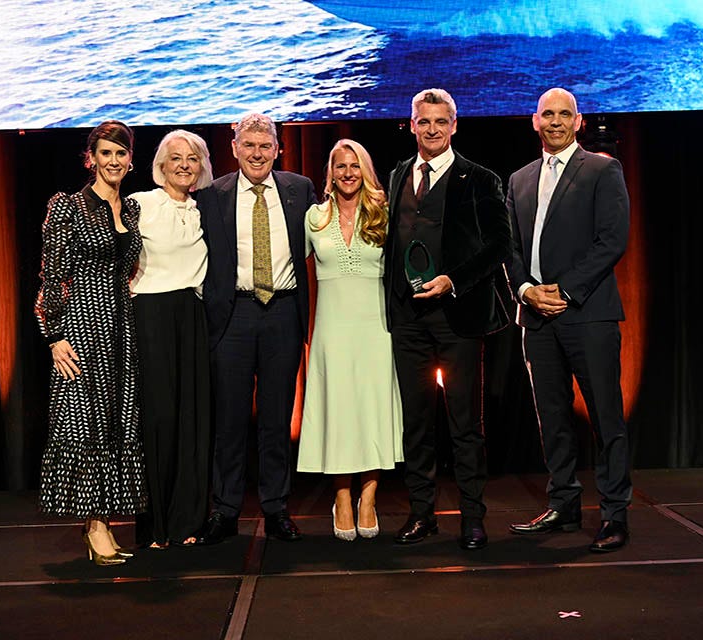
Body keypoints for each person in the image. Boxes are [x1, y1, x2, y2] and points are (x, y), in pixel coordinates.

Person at [504, 87, 632, 552]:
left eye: (565, 114)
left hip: (588, 315)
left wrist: (567, 290)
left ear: (578, 122)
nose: (555, 121)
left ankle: (615, 514)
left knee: (606, 418)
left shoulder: (602, 168)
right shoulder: (518, 178)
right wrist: (525, 290)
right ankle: (564, 504)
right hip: (535, 317)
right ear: (533, 121)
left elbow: (612, 239)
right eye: (547, 114)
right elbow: (511, 248)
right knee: (552, 418)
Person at [384, 89, 512, 550]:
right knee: (416, 422)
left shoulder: (479, 179)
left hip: (457, 317)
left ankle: (472, 518)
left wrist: (452, 280)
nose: (432, 129)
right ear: (411, 124)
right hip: (407, 319)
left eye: (441, 121)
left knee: (464, 424)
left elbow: (500, 245)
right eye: (424, 121)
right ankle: (422, 514)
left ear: (454, 125)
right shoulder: (400, 174)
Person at [194, 113, 317, 544]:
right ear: (234, 148)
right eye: (249, 145)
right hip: (234, 315)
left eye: (266, 146)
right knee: (228, 418)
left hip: (282, 312)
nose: (258, 154)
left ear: (278, 149)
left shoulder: (300, 190)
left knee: (277, 416)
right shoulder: (212, 196)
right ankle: (225, 510)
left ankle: (276, 507)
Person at [35, 120, 148, 565]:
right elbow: (52, 271)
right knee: (86, 425)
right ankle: (95, 526)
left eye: (120, 153)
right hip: (81, 325)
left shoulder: (132, 210)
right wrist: (55, 334)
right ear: (91, 159)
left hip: (120, 328)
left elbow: (127, 269)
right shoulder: (68, 206)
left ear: (130, 159)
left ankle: (104, 522)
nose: (114, 161)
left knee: (116, 423)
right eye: (106, 153)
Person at [296, 139, 404, 541]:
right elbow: (286, 265)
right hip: (332, 329)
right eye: (340, 166)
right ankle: (342, 497)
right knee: (339, 410)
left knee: (372, 408)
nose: (347, 173)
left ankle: (369, 497)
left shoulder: (385, 214)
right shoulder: (314, 217)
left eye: (354, 166)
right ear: (330, 172)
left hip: (375, 327)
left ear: (366, 170)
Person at [128, 129, 213, 549]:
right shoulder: (140, 204)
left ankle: (188, 522)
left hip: (192, 316)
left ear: (201, 167)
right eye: (175, 157)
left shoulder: (205, 210)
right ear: (161, 165)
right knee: (158, 419)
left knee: (191, 418)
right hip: (151, 317)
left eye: (192, 158)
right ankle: (155, 526)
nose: (184, 164)